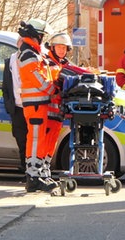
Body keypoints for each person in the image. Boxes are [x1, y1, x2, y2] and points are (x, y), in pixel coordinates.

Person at [17, 18, 58, 192]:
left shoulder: (32, 53)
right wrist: (55, 89)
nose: (42, 38)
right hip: (34, 104)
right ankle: (33, 176)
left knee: (38, 140)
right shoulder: (28, 54)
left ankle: (36, 174)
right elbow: (40, 81)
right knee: (35, 140)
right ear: (35, 35)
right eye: (41, 35)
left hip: (38, 104)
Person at [43, 32, 73, 179]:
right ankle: (42, 169)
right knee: (45, 142)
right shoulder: (48, 63)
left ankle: (46, 168)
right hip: (48, 111)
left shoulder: (64, 64)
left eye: (64, 48)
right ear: (53, 47)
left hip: (58, 112)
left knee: (52, 142)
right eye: (59, 47)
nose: (62, 50)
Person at [2, 37, 28, 172]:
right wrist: (8, 104)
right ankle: (24, 167)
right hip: (17, 108)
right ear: (18, 44)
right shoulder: (10, 61)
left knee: (32, 141)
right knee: (21, 140)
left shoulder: (32, 59)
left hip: (31, 106)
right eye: (21, 43)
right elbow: (5, 86)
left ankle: (31, 171)